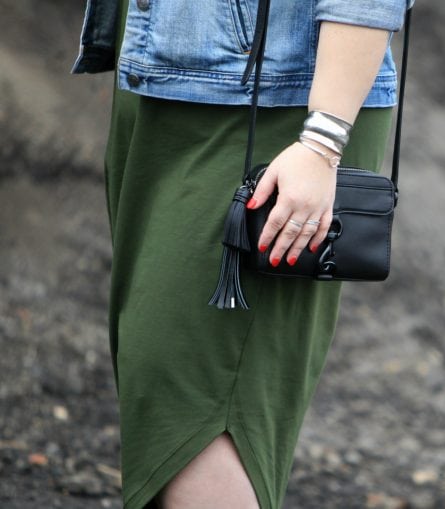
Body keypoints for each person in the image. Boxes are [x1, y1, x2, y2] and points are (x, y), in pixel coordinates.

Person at [72, 0, 413, 507]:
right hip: (159, 77)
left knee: (204, 405)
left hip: (275, 109)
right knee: (159, 380)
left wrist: (322, 142)